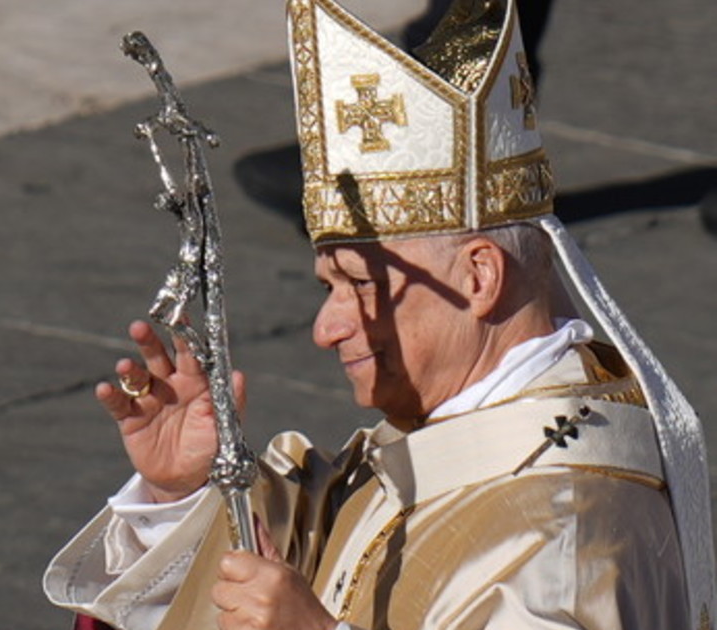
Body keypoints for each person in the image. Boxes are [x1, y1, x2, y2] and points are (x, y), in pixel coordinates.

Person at [44, 0, 714, 628]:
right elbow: (302, 555)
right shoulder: (449, 441)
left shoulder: (572, 531)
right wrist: (188, 494)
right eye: (325, 287)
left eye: (355, 286)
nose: (325, 328)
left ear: (479, 278)